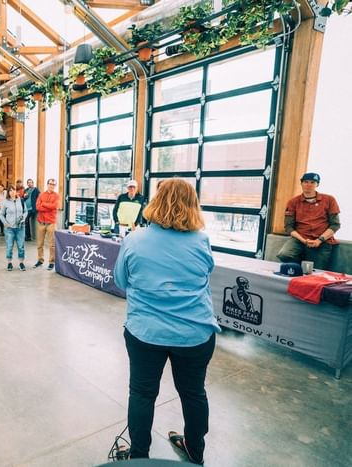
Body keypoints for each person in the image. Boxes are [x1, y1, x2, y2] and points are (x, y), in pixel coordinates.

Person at [113, 178, 220, 464]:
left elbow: (121, 281)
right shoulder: (202, 239)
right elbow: (206, 274)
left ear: (155, 202)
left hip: (146, 333)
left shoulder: (135, 239)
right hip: (195, 333)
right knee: (194, 393)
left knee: (142, 394)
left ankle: (138, 457)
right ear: (192, 204)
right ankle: (195, 454)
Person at [276, 172, 341, 270]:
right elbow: (288, 227)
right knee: (284, 254)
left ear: (317, 184)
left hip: (322, 241)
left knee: (317, 270)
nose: (309, 185)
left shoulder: (329, 200)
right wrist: (303, 240)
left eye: (312, 182)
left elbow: (335, 225)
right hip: (300, 239)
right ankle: (298, 269)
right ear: (301, 183)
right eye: (306, 182)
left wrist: (319, 240)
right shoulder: (293, 202)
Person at [0, 187, 27, 271]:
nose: (12, 192)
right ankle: (9, 263)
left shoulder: (21, 201)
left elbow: (25, 211)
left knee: (21, 246)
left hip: (20, 228)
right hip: (9, 229)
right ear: (8, 192)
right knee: (9, 246)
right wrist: (5, 223)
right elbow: (1, 214)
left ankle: (21, 263)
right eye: (10, 191)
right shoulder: (5, 202)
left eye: (13, 190)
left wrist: (24, 218)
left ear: (16, 191)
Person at [34, 179, 59, 270]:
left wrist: (43, 204)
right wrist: (48, 206)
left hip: (51, 223)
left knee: (52, 244)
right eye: (50, 184)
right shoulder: (41, 195)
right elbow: (37, 207)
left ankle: (51, 262)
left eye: (53, 184)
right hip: (41, 223)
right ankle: (40, 260)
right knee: (40, 244)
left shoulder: (56, 196)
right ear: (47, 184)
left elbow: (54, 206)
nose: (51, 186)